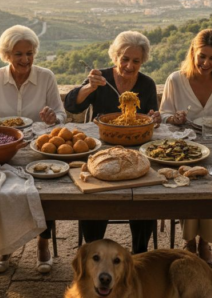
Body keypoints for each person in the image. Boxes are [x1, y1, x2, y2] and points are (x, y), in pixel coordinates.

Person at [0, 25, 65, 274]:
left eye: (30, 53)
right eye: (18, 54)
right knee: (1, 193)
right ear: (7, 55)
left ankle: (43, 244)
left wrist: (52, 118)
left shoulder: (46, 76)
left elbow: (61, 113)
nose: (25, 59)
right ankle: (4, 247)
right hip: (3, 147)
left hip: (38, 147)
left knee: (46, 192)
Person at [64, 30, 161, 254]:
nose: (129, 65)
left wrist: (155, 117)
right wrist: (89, 87)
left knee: (146, 199)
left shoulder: (146, 84)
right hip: (102, 148)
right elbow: (71, 105)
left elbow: (150, 116)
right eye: (124, 59)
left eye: (136, 61)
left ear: (142, 61)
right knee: (95, 198)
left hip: (136, 148)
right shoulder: (101, 79)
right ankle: (94, 250)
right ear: (115, 57)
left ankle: (140, 254)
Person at [160, 29, 212, 267]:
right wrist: (174, 118)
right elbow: (163, 116)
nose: (206, 63)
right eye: (202, 56)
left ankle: (202, 243)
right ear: (193, 52)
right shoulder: (176, 79)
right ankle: (193, 242)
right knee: (189, 182)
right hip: (182, 147)